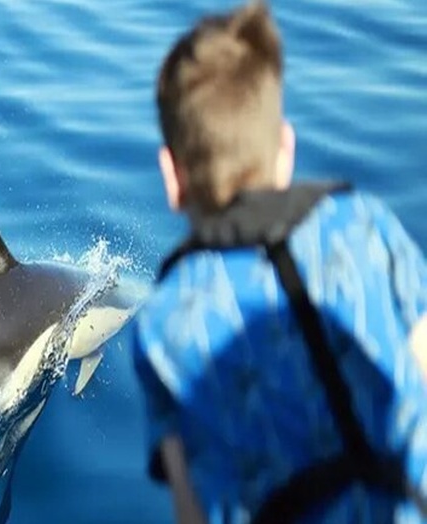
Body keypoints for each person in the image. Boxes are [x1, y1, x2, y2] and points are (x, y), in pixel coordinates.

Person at [130, 1, 427, 522]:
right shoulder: (366, 225)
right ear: (286, 150)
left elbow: (191, 510)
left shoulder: (165, 323)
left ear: (170, 177)